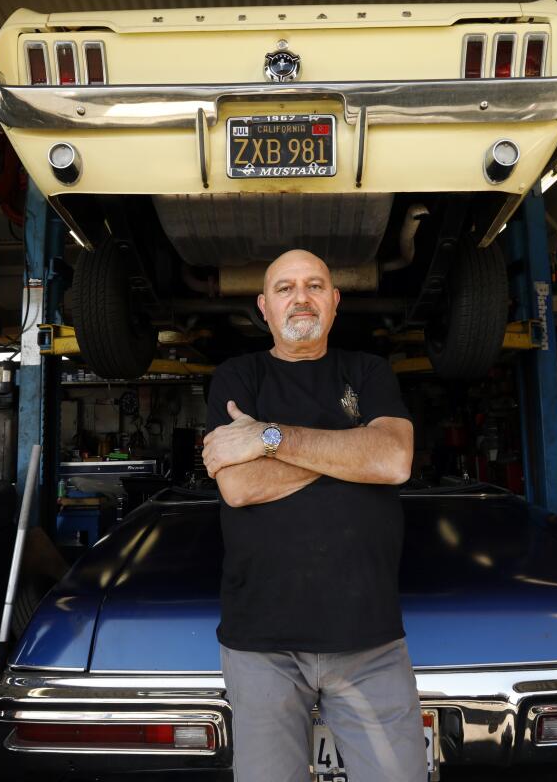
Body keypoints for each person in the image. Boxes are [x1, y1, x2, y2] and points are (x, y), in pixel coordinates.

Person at [202, 249, 428, 782]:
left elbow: (393, 460)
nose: (300, 298)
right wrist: (351, 455)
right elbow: (238, 485)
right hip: (262, 646)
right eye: (285, 288)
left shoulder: (368, 371)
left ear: (334, 301)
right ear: (264, 306)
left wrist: (268, 437)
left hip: (369, 641)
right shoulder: (237, 378)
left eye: (314, 286)